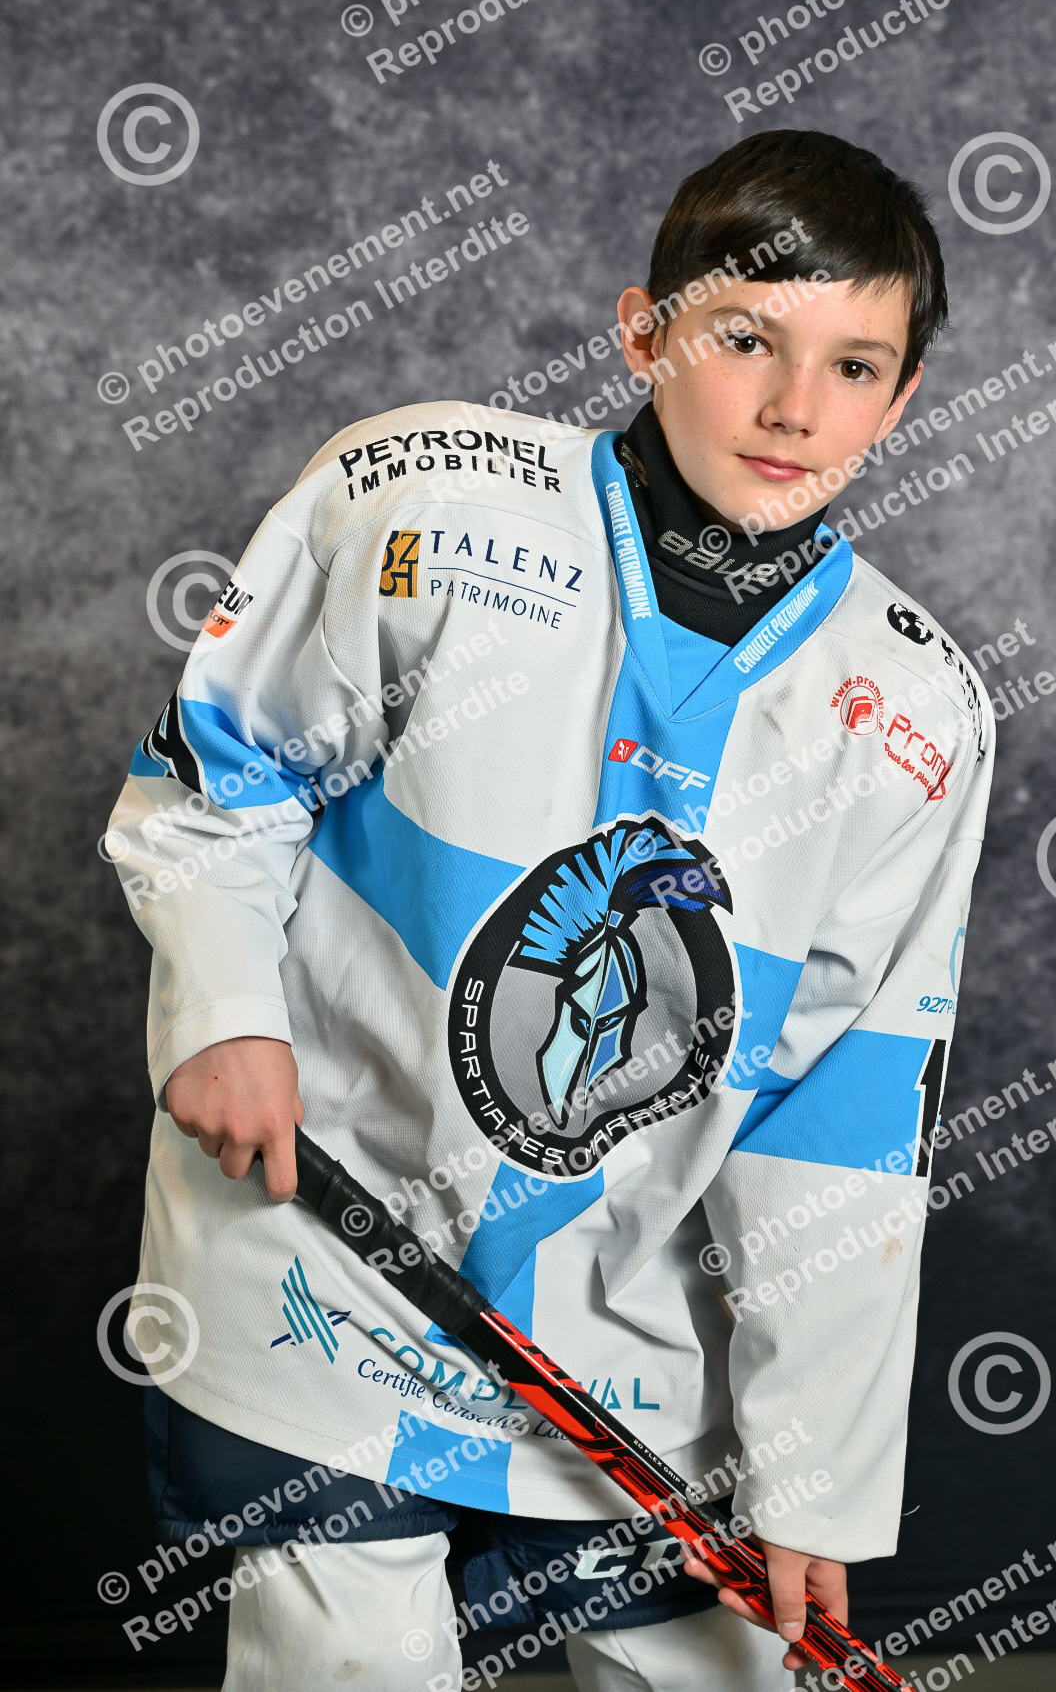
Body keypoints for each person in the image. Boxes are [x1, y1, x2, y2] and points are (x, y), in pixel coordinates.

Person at [108, 128, 995, 1691]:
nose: (797, 409)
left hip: (619, 1336)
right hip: (325, 1265)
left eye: (855, 366)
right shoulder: (421, 501)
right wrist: (226, 1009)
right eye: (746, 340)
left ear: (904, 396)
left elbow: (844, 1121)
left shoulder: (915, 713)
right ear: (643, 334)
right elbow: (222, 777)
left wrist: (813, 1473)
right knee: (351, 1665)